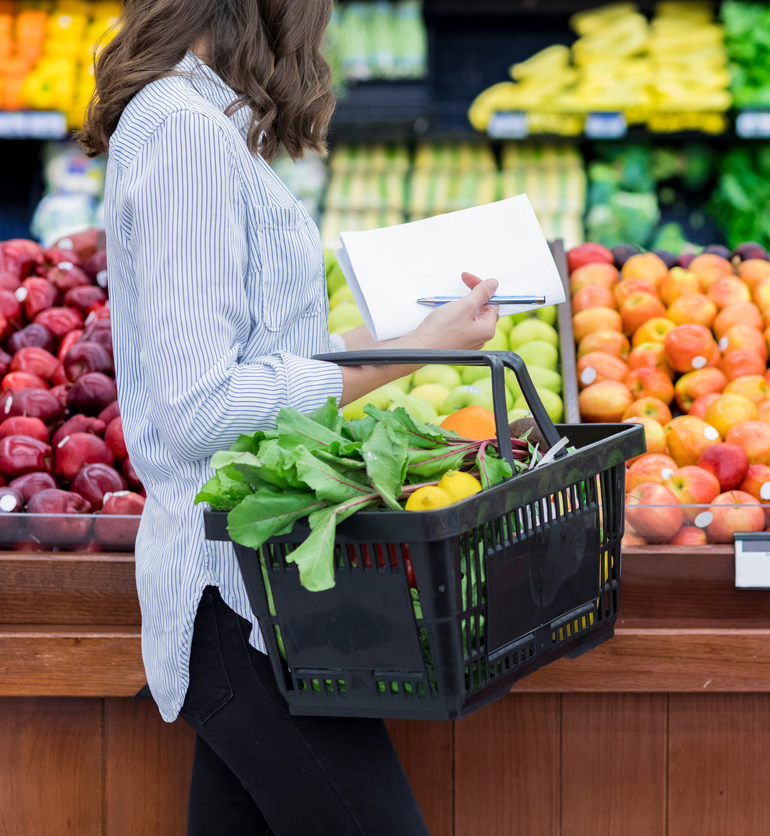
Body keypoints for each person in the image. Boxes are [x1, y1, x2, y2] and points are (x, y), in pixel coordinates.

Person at [80, 1, 498, 832]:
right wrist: (405, 358)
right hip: (236, 600)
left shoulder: (199, 120)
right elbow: (201, 405)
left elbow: (267, 351)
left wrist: (415, 335)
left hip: (267, 594)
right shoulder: (184, 135)